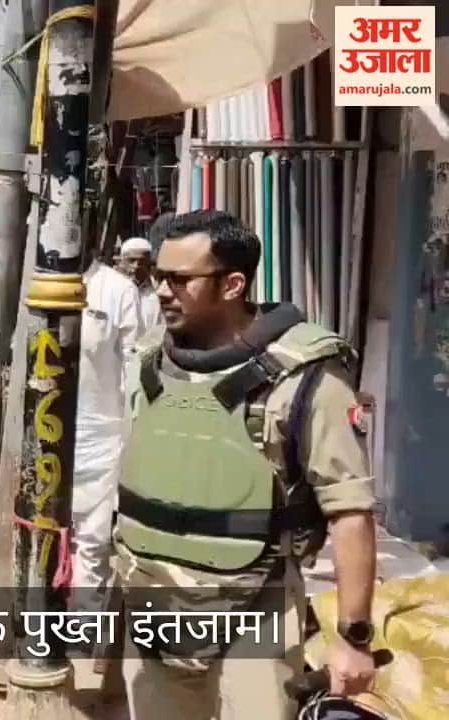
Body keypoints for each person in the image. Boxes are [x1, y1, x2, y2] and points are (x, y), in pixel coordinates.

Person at [114, 210, 378, 719]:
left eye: (179, 279)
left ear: (233, 284)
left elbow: (351, 511)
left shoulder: (304, 377)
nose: (163, 291)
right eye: (158, 277)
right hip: (152, 602)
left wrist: (353, 636)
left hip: (255, 605)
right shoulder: (149, 363)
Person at [71, 250, 143, 616]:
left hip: (100, 437)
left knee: (93, 543)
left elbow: (134, 372)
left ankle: (83, 627)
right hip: (40, 433)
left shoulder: (117, 291)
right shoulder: (24, 281)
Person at [118, 235, 164, 329]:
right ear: (121, 261)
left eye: (142, 261)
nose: (136, 266)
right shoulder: (112, 290)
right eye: (131, 260)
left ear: (149, 263)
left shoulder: (159, 291)